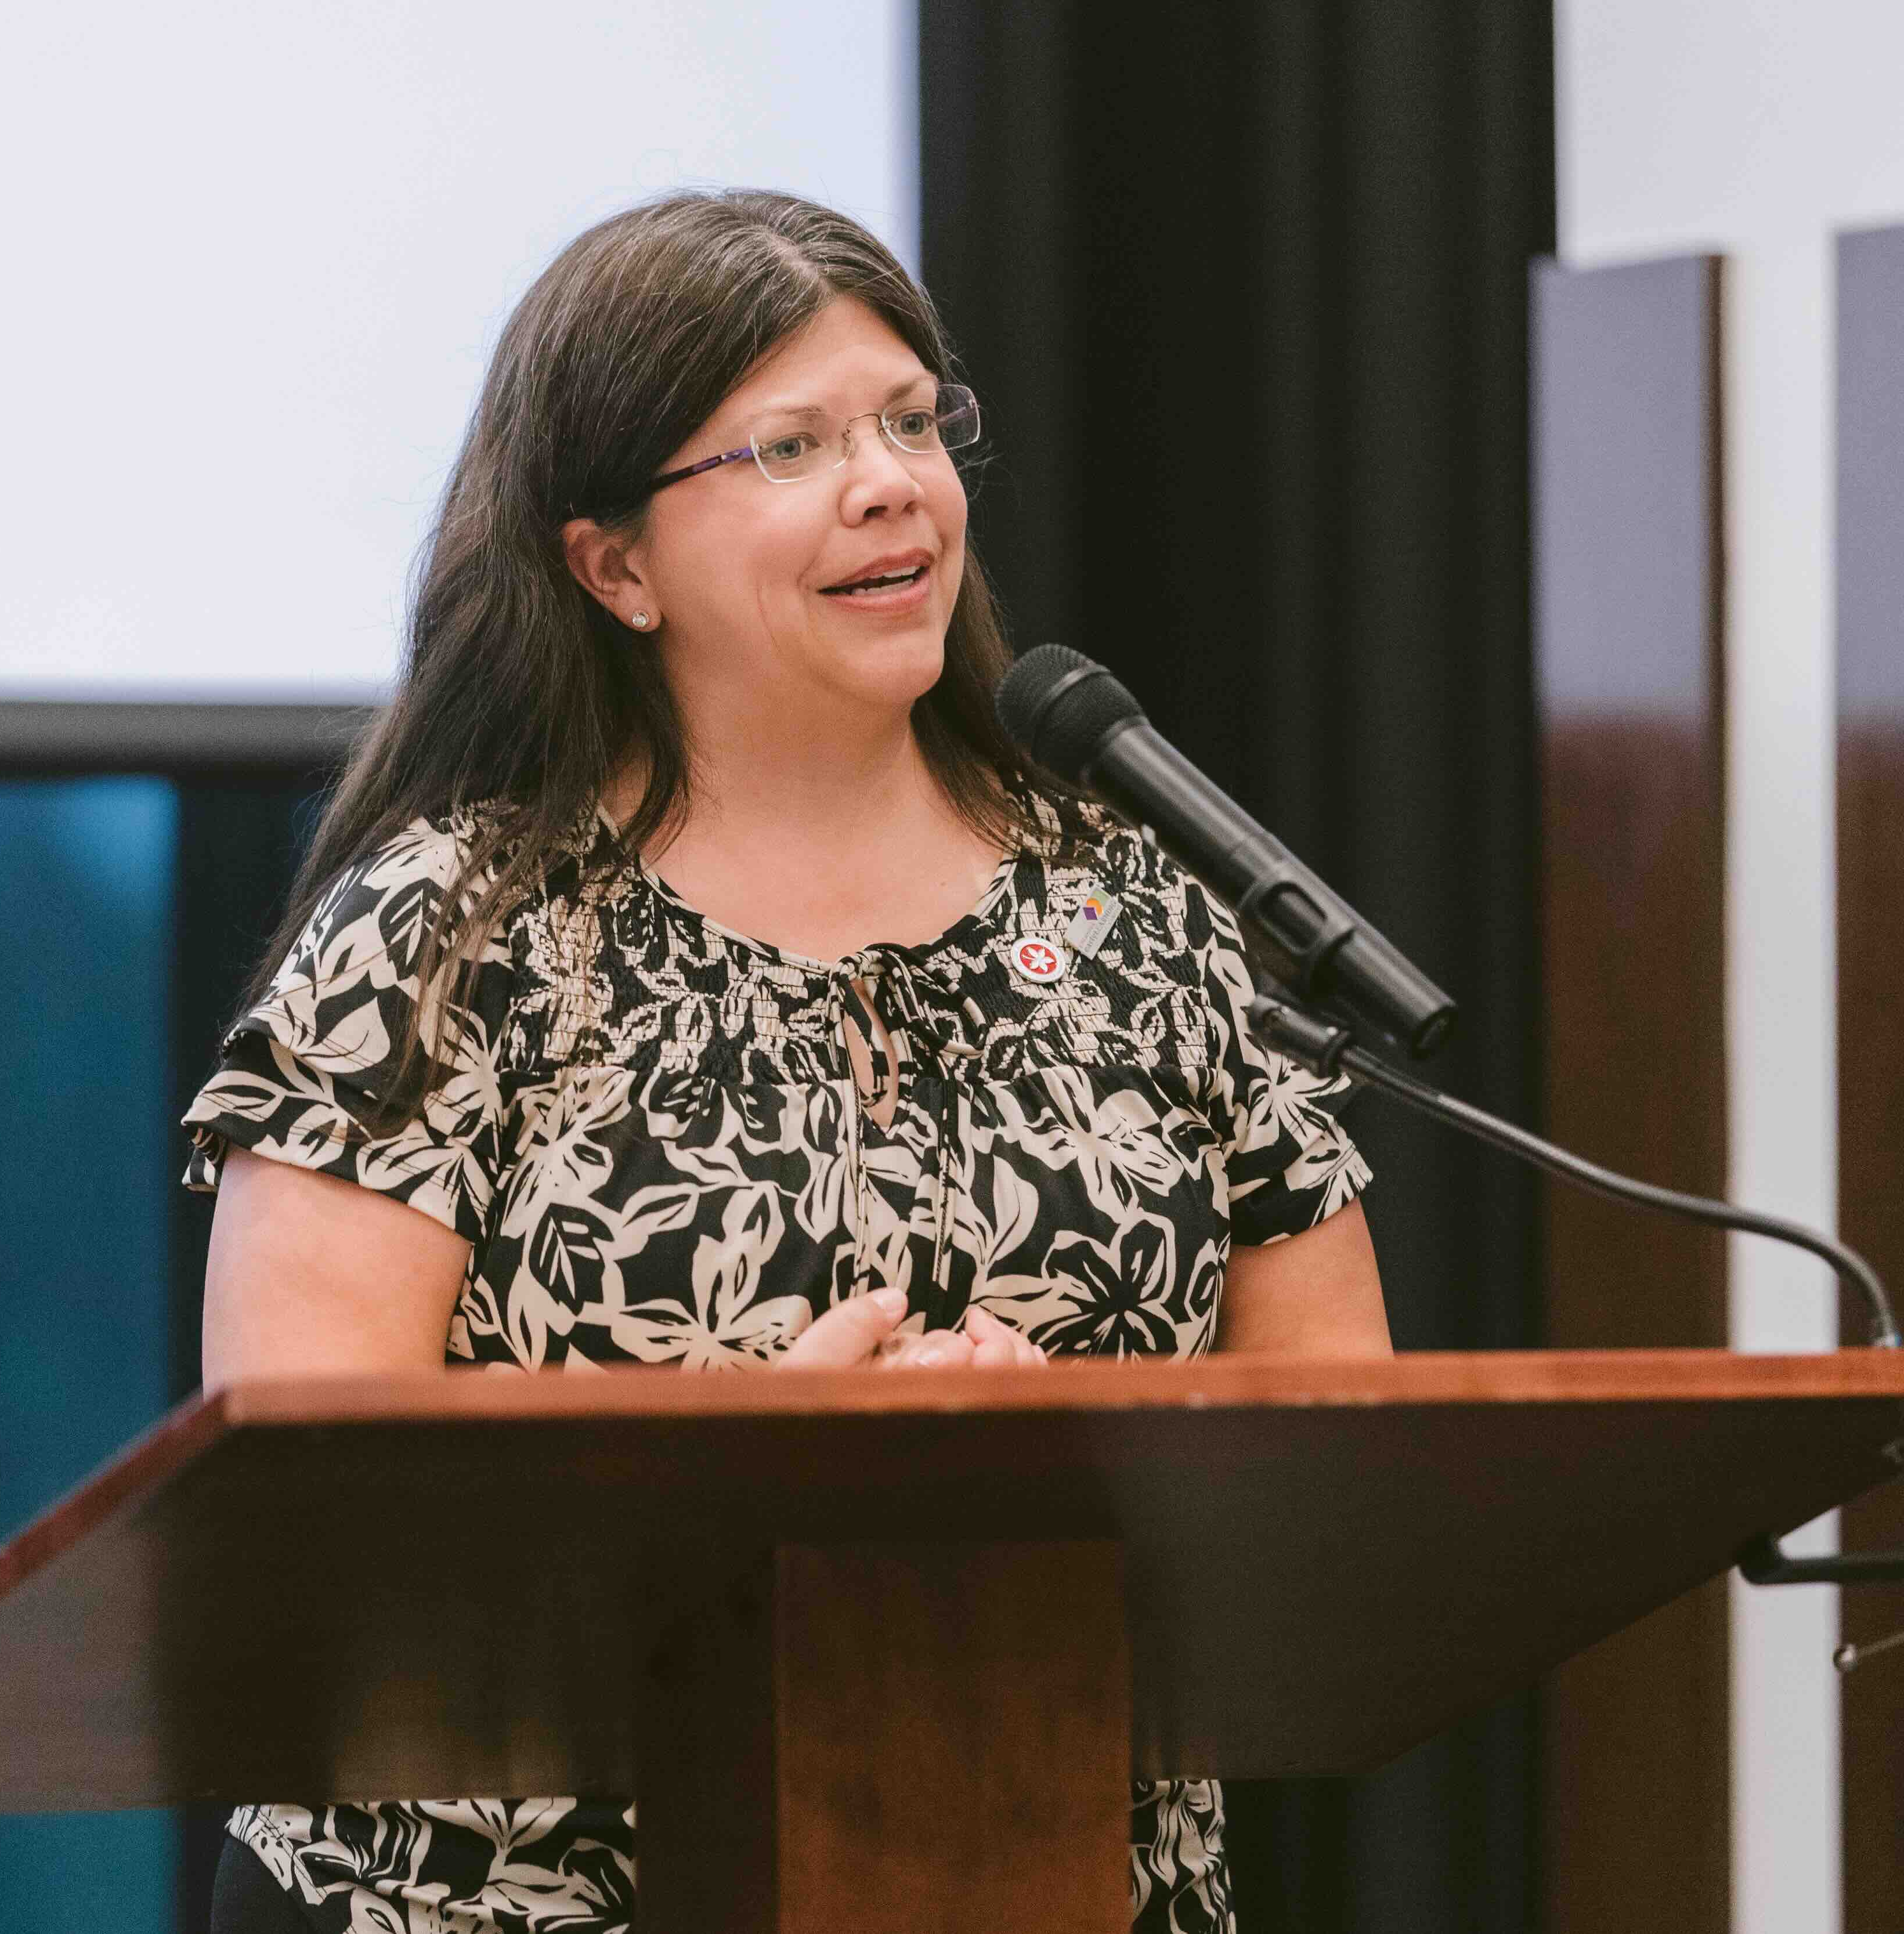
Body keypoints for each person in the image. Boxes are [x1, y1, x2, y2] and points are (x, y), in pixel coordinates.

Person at [183, 187, 1392, 1934]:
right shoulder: (446, 932)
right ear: (611, 564)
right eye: (789, 445)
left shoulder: (1143, 915)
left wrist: (1057, 1460)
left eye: (913, 421)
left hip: (1048, 1876)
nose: (890, 479)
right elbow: (310, 1518)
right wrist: (753, 1462)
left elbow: (1339, 1461)